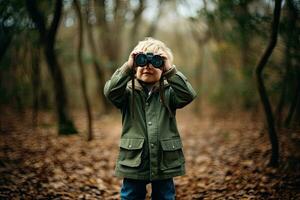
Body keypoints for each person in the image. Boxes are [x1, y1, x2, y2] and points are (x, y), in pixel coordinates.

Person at [104, 37, 197, 200]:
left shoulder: (169, 93)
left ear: (163, 68)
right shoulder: (126, 93)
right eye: (142, 61)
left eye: (156, 61)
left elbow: (188, 95)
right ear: (135, 66)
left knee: (165, 197)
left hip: (164, 161)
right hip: (134, 161)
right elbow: (110, 91)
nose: (148, 65)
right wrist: (127, 67)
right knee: (131, 196)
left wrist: (171, 70)